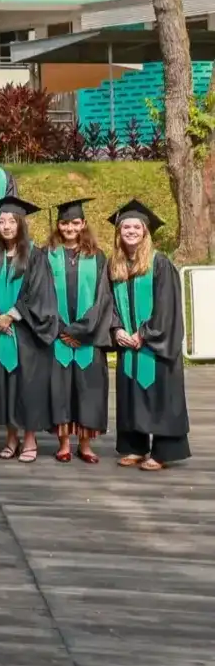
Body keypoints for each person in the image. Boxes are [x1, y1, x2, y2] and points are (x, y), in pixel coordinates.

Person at [108, 200, 190, 470]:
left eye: (136, 227)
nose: (130, 231)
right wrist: (117, 329)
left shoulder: (160, 263)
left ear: (145, 232)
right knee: (131, 393)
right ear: (119, 232)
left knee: (161, 395)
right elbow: (109, 303)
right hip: (128, 343)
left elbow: (167, 307)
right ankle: (135, 446)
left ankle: (164, 452)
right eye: (126, 227)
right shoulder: (117, 265)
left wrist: (144, 333)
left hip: (154, 345)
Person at [45, 198, 114, 464]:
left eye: (75, 222)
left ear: (83, 223)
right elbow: (42, 295)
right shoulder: (47, 254)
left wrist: (81, 331)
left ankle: (85, 444)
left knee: (88, 390)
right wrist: (61, 330)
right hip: (58, 336)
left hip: (88, 337)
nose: (69, 227)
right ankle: (63, 443)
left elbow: (103, 298)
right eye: (64, 222)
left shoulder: (97, 257)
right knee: (61, 389)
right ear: (58, 225)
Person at [0, 196, 54, 465]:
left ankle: (29, 439)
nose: (6, 226)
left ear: (20, 225)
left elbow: (40, 294)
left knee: (26, 387)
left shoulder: (36, 256)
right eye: (1, 221)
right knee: (4, 385)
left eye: (11, 222)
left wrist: (12, 315)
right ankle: (10, 437)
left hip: (25, 333)